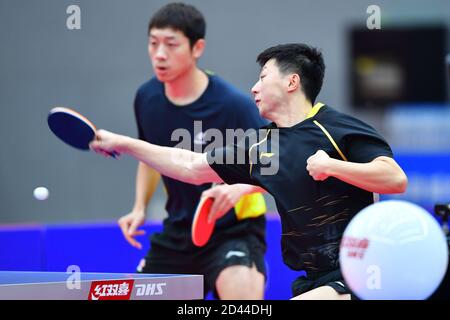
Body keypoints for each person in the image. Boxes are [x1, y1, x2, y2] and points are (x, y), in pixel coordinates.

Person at [91, 43, 408, 300]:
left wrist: (332, 166)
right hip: (313, 279)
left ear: (291, 81)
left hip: (359, 272)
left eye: (263, 77)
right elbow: (190, 166)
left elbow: (394, 179)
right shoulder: (261, 147)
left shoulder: (336, 128)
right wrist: (124, 143)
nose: (254, 87)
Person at [118, 3, 268, 299]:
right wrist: (138, 207)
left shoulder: (233, 106)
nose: (160, 54)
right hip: (178, 229)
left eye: (171, 45)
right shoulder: (146, 98)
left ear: (197, 48)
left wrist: (238, 189)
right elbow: (150, 159)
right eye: (153, 43)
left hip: (234, 230)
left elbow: (276, 166)